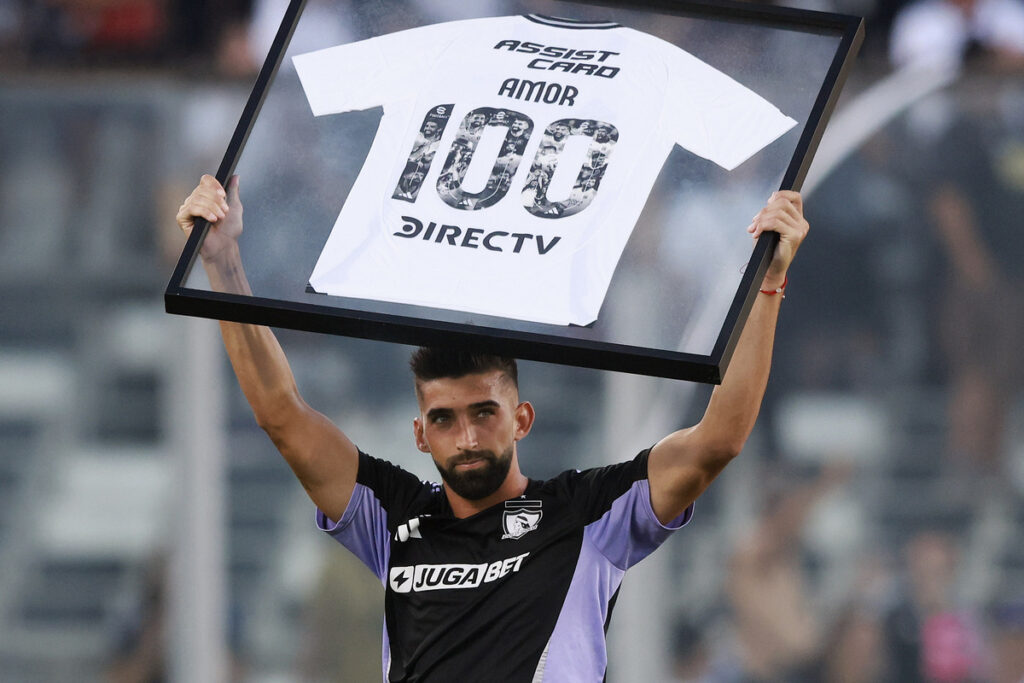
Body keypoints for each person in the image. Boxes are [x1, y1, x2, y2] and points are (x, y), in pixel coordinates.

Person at [176, 174, 809, 681]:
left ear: (521, 419)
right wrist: (223, 260)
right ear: (421, 435)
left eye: (485, 413)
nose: (469, 438)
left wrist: (770, 282)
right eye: (444, 420)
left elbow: (718, 440)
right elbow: (282, 416)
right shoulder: (394, 518)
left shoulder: (585, 512)